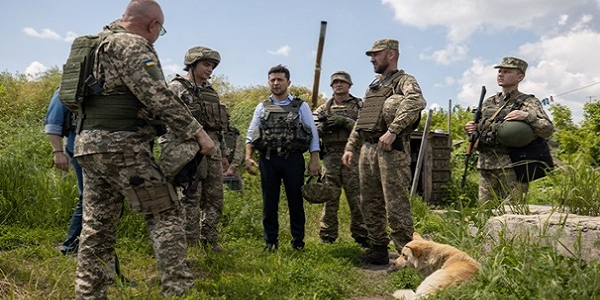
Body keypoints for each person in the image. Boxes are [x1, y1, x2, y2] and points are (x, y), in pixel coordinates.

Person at [72, 0, 214, 298]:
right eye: (158, 32)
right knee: (164, 212)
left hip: (89, 146)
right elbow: (157, 96)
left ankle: (89, 294)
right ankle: (178, 290)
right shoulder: (132, 45)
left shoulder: (98, 44)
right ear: (152, 25)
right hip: (123, 145)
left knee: (97, 227)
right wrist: (198, 132)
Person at [342, 39, 426, 265]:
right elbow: (363, 119)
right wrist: (351, 147)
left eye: (376, 54)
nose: (372, 59)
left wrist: (393, 131)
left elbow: (416, 101)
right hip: (368, 149)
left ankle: (406, 255)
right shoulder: (374, 85)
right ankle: (378, 247)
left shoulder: (404, 81)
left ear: (391, 55)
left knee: (395, 202)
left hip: (392, 150)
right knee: (369, 201)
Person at [161, 46, 229, 252]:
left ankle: (210, 240)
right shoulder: (176, 88)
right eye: (206, 64)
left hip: (213, 152)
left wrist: (224, 153)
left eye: (213, 66)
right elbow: (169, 121)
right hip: (187, 153)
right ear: (192, 64)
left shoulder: (211, 92)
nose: (210, 69)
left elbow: (219, 126)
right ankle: (189, 246)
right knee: (190, 198)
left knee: (215, 198)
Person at [245, 64, 320, 251]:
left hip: (293, 159)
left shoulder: (300, 106)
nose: (276, 83)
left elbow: (313, 134)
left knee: (296, 201)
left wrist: (314, 160)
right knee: (269, 202)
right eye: (272, 80)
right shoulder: (262, 107)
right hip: (268, 160)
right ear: (268, 82)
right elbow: (251, 135)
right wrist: (248, 157)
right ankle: (270, 242)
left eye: (280, 79)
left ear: (288, 82)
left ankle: (298, 243)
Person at [464, 57, 554, 204]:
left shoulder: (528, 102)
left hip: (513, 166)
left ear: (520, 77)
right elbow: (482, 129)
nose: (500, 74)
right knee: (484, 211)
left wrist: (527, 116)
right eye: (500, 71)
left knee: (512, 211)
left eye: (506, 71)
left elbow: (547, 129)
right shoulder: (489, 102)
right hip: (486, 164)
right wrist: (471, 128)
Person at [313, 71, 369, 248]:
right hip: (331, 156)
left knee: (357, 197)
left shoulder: (360, 105)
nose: (339, 85)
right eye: (335, 82)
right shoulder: (324, 108)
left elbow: (367, 127)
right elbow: (313, 130)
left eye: (342, 82)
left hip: (354, 155)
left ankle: (362, 235)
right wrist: (325, 126)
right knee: (330, 196)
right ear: (331, 86)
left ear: (349, 85)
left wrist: (346, 122)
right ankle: (328, 235)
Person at [44, 87, 83, 255]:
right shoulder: (68, 86)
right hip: (78, 149)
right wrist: (57, 152)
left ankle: (85, 244)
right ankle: (71, 246)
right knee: (88, 196)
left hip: (100, 150)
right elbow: (53, 122)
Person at [222, 124, 244, 191]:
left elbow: (238, 153)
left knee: (237, 189)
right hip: (212, 167)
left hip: (230, 168)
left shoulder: (233, 133)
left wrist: (231, 168)